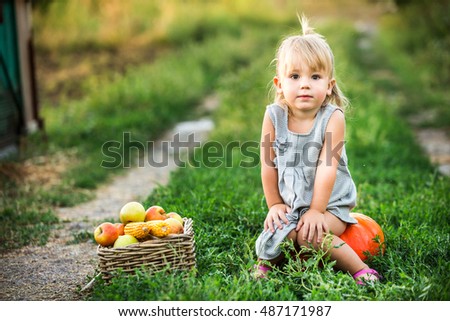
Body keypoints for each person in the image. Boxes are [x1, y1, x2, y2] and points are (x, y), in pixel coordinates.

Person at [254, 15, 380, 285]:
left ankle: (361, 270)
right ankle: (266, 264)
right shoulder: (274, 117)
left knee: (308, 237)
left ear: (329, 85)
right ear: (280, 84)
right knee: (282, 232)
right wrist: (275, 204)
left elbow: (327, 169)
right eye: (295, 76)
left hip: (331, 205)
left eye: (315, 76)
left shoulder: (332, 117)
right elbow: (268, 164)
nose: (305, 84)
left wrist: (316, 211)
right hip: (292, 204)